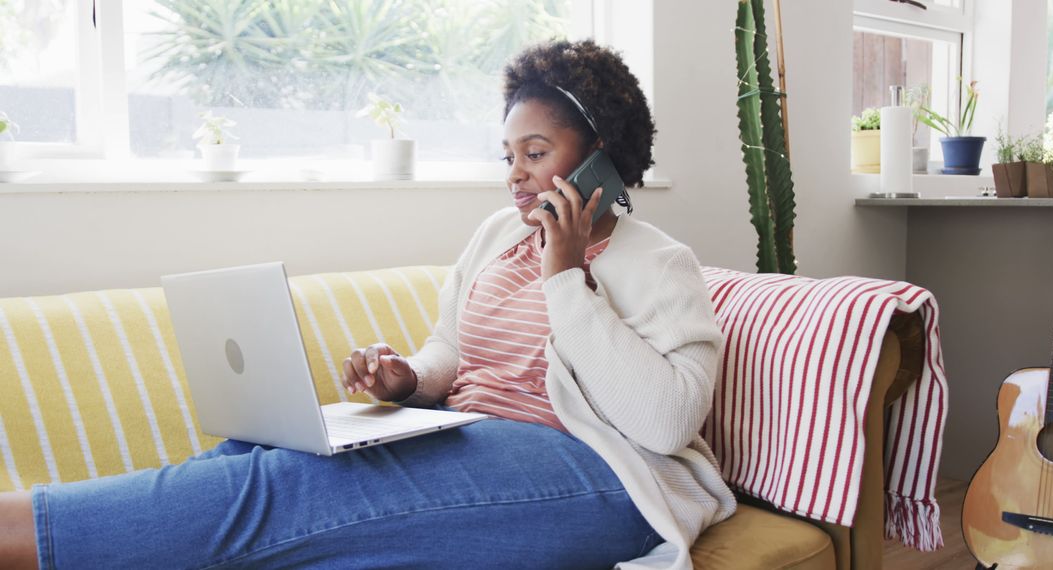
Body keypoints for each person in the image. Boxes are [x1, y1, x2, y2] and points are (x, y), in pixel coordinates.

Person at [0, 39, 734, 570]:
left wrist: (566, 278)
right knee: (267, 453)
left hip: (601, 478)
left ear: (601, 152)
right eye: (507, 155)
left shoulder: (658, 263)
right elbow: (453, 351)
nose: (514, 176)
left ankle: (22, 531)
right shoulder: (496, 236)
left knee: (294, 491)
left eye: (535, 153)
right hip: (471, 435)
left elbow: (665, 424)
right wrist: (408, 381)